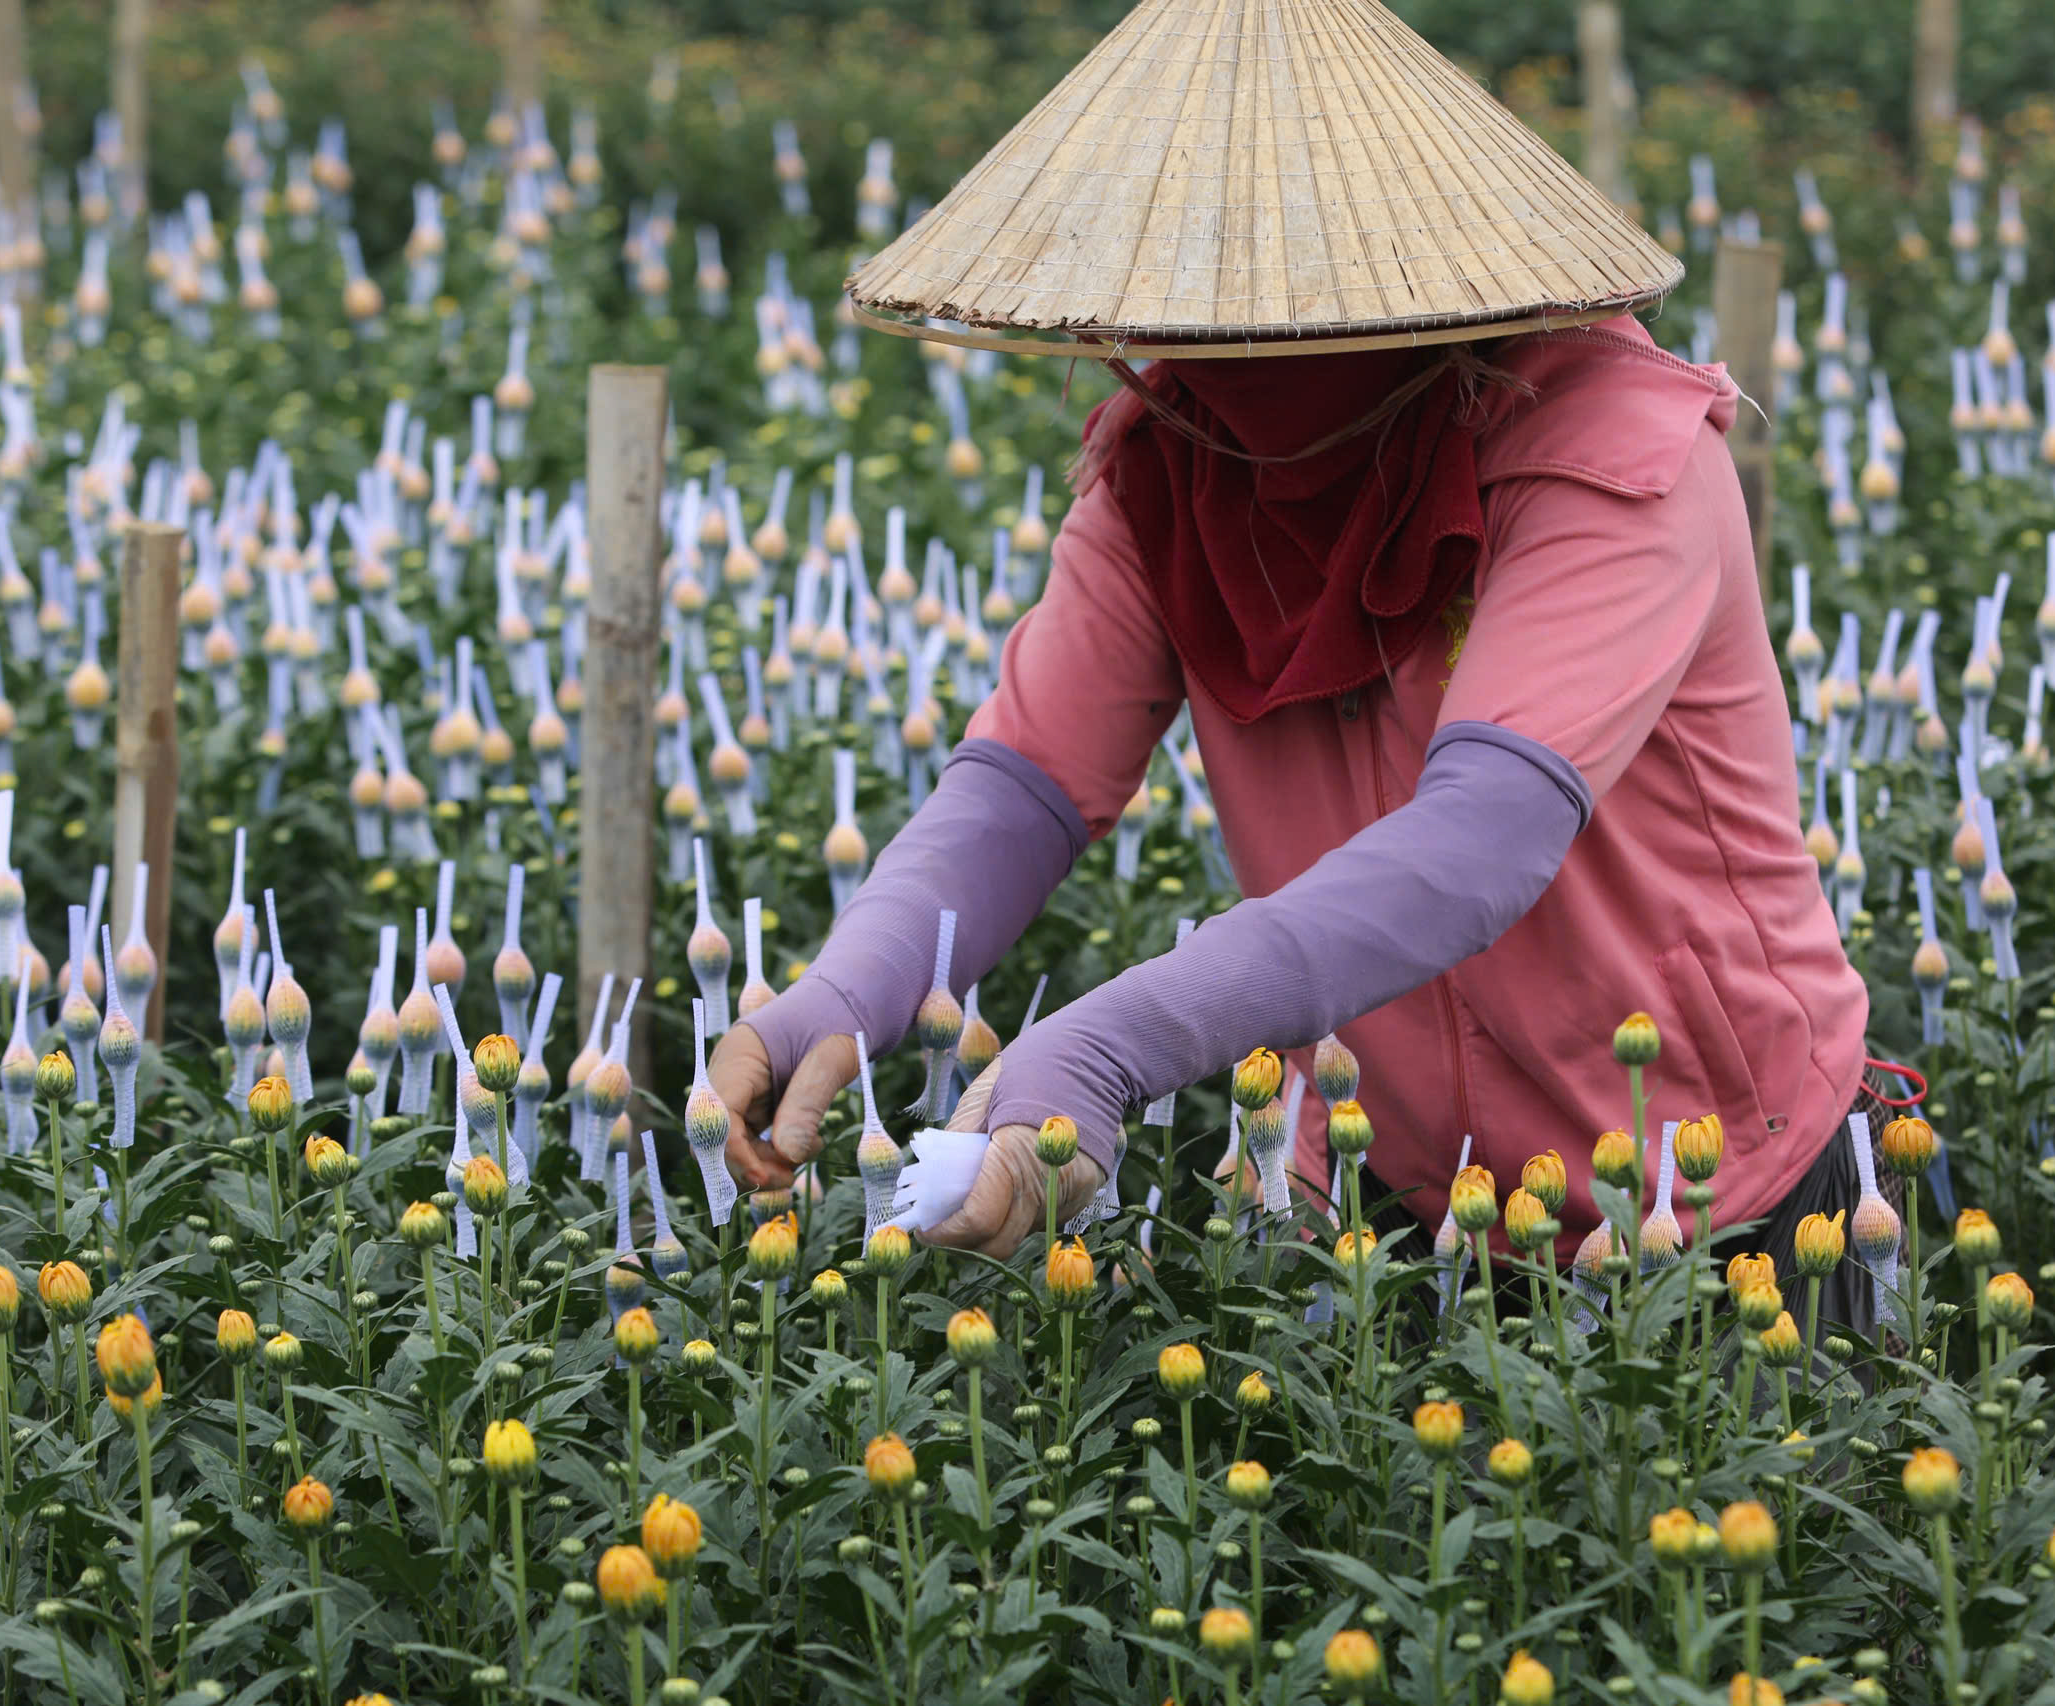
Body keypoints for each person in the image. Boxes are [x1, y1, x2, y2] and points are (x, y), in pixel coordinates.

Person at [711, 0, 1871, 1317]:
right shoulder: (1177, 469)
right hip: (1398, 1175)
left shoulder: (1606, 453)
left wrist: (1098, 1050)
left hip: (1708, 1190)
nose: (1233, 342)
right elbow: (1024, 779)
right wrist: (854, 986)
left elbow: (1478, 843)